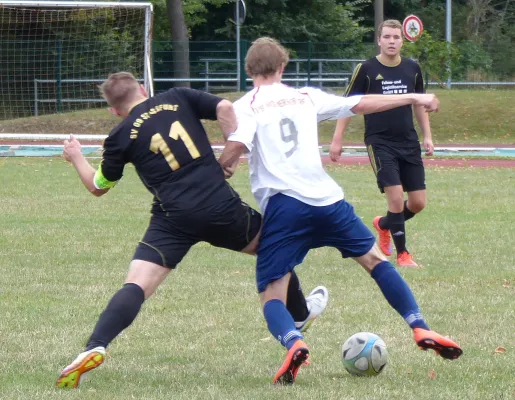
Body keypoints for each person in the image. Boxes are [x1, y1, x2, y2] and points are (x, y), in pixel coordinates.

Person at [55, 72, 329, 389]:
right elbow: (226, 107)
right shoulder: (177, 97)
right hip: (218, 205)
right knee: (273, 246)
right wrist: (230, 155)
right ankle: (300, 316)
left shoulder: (120, 135)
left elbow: (98, 186)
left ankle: (95, 346)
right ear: (143, 89)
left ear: (114, 110)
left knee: (137, 285)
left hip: (172, 218)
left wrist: (76, 156)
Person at [218, 37, 462, 385]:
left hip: (285, 206)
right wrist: (413, 96)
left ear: (249, 70)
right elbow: (361, 103)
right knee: (377, 261)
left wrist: (219, 170)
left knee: (272, 292)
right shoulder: (306, 96)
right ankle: (419, 326)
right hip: (328, 201)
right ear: (283, 67)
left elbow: (236, 146)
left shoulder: (245, 106)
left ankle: (294, 341)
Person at [329, 19, 434, 267]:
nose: (391, 41)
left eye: (396, 37)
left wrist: (427, 135)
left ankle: (384, 224)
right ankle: (403, 255)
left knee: (418, 203)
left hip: (408, 142)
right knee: (396, 198)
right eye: (386, 37)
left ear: (402, 40)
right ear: (379, 40)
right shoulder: (365, 69)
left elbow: (419, 104)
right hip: (380, 143)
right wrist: (337, 139)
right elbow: (347, 105)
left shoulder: (413, 68)